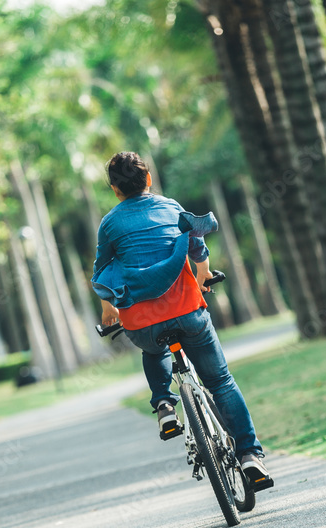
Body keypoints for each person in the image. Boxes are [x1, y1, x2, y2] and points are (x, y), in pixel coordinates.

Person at [91, 151, 272, 487]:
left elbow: (102, 271)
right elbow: (197, 248)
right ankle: (250, 455)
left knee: (153, 350)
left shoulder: (110, 224)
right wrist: (204, 277)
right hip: (188, 311)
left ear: (115, 191)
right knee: (220, 382)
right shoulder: (171, 207)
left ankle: (163, 404)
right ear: (148, 179)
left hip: (141, 322)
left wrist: (109, 311)